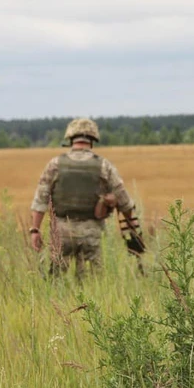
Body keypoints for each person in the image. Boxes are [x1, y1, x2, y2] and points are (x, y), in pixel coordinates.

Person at [29, 118, 141, 277]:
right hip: (92, 233)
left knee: (56, 281)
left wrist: (35, 230)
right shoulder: (103, 165)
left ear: (70, 138)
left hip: (60, 232)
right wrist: (132, 228)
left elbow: (40, 200)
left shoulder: (55, 164)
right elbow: (124, 202)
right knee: (92, 285)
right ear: (93, 139)